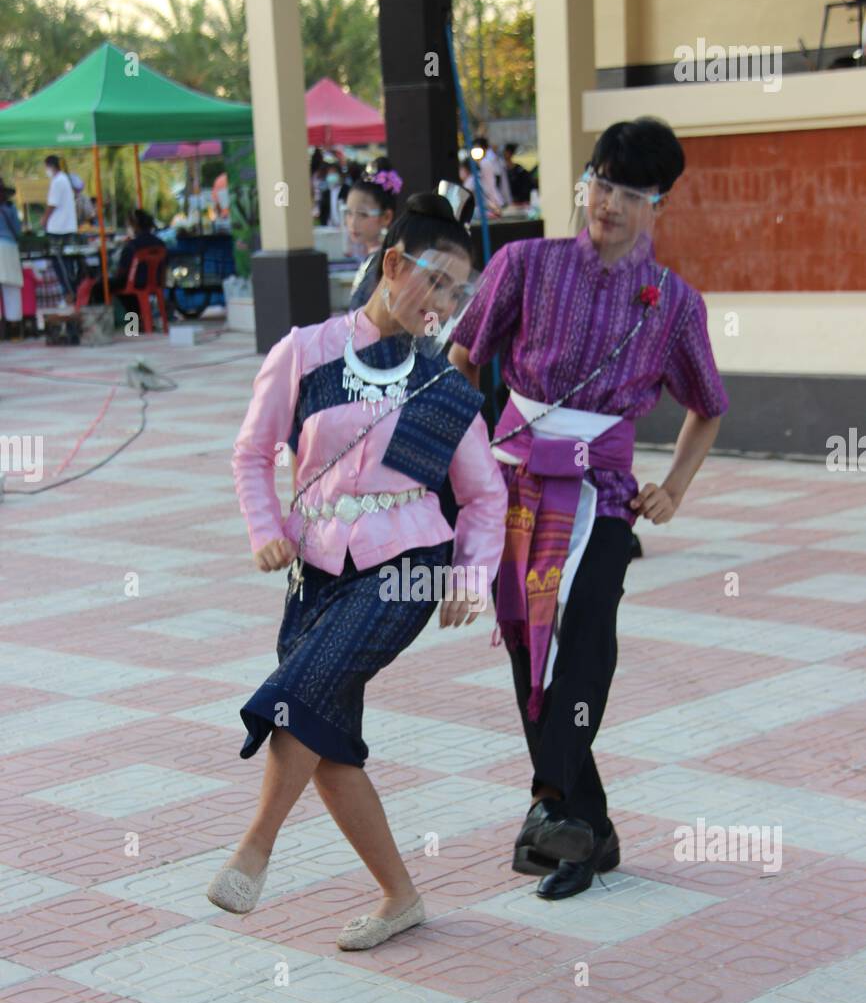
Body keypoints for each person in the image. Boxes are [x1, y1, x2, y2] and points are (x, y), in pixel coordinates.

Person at [206, 191, 507, 949]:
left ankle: (256, 847)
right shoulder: (304, 351)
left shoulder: (443, 384)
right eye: (435, 281)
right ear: (394, 263)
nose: (444, 303)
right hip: (313, 567)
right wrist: (264, 528)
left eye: (457, 292)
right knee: (327, 739)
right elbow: (251, 452)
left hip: (406, 565)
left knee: (301, 693)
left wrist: (472, 575)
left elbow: (483, 494)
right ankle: (400, 896)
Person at [449, 117, 729, 901]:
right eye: (601, 181)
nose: (608, 203)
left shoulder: (673, 305)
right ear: (584, 183)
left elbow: (708, 404)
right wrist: (468, 456)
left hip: (603, 498)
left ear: (657, 206)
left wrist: (673, 487)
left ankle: (549, 803)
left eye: (631, 192)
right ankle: (587, 829)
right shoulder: (523, 265)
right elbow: (465, 354)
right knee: (527, 649)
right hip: (512, 487)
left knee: (586, 634)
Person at [346, 161, 401, 309]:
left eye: (363, 214)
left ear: (386, 217)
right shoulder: (375, 259)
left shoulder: (383, 264)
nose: (353, 222)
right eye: (349, 213)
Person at [41, 155, 78, 300]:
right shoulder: (64, 179)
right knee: (66, 263)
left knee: (61, 264)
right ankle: (70, 293)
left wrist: (44, 219)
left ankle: (69, 293)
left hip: (58, 229)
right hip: (66, 227)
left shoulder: (58, 181)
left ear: (50, 166)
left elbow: (52, 204)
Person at [0, 180, 24, 341]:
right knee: (12, 289)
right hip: (8, 247)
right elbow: (17, 230)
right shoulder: (9, 208)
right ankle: (15, 331)